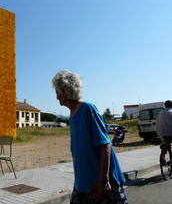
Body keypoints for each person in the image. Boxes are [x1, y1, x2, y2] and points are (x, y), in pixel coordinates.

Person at [52, 70, 127, 204]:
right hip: (82, 183)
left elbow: (105, 145)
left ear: (66, 91)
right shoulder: (72, 115)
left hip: (100, 181)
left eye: (57, 91)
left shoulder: (88, 109)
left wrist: (104, 179)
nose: (56, 96)